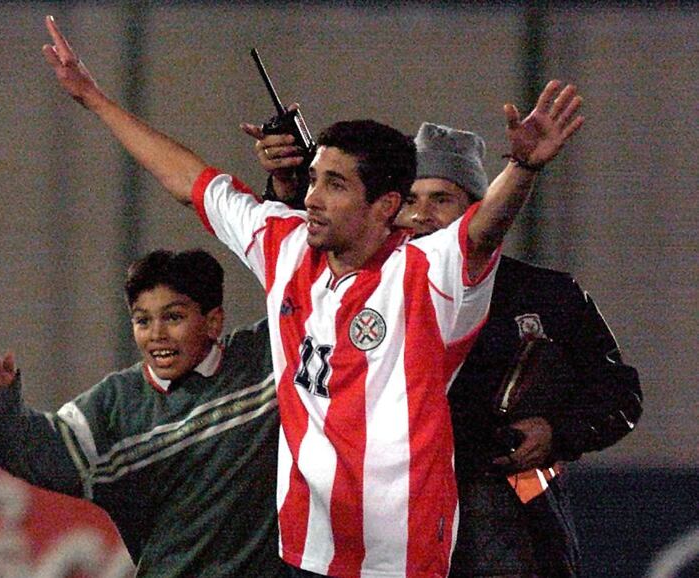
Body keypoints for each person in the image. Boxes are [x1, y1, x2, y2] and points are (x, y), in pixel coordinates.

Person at [41, 15, 584, 578]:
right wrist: (93, 98)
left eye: (335, 184)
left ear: (385, 205)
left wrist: (523, 168)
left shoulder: (426, 272)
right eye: (316, 178)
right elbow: (191, 183)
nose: (313, 198)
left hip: (401, 554)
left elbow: (482, 230)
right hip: (306, 547)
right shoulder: (286, 245)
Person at [250, 122, 642, 577]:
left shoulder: (546, 294)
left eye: (441, 199)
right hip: (393, 530)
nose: (421, 215)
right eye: (411, 200)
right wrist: (285, 188)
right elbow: (302, 261)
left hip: (508, 523)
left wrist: (559, 433)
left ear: (480, 206)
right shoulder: (358, 288)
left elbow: (620, 393)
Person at [0, 249, 285, 578]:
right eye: (143, 320)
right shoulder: (116, 406)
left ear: (213, 322)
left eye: (173, 317)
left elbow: (311, 308)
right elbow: (33, 447)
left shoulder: (264, 360)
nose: (157, 334)